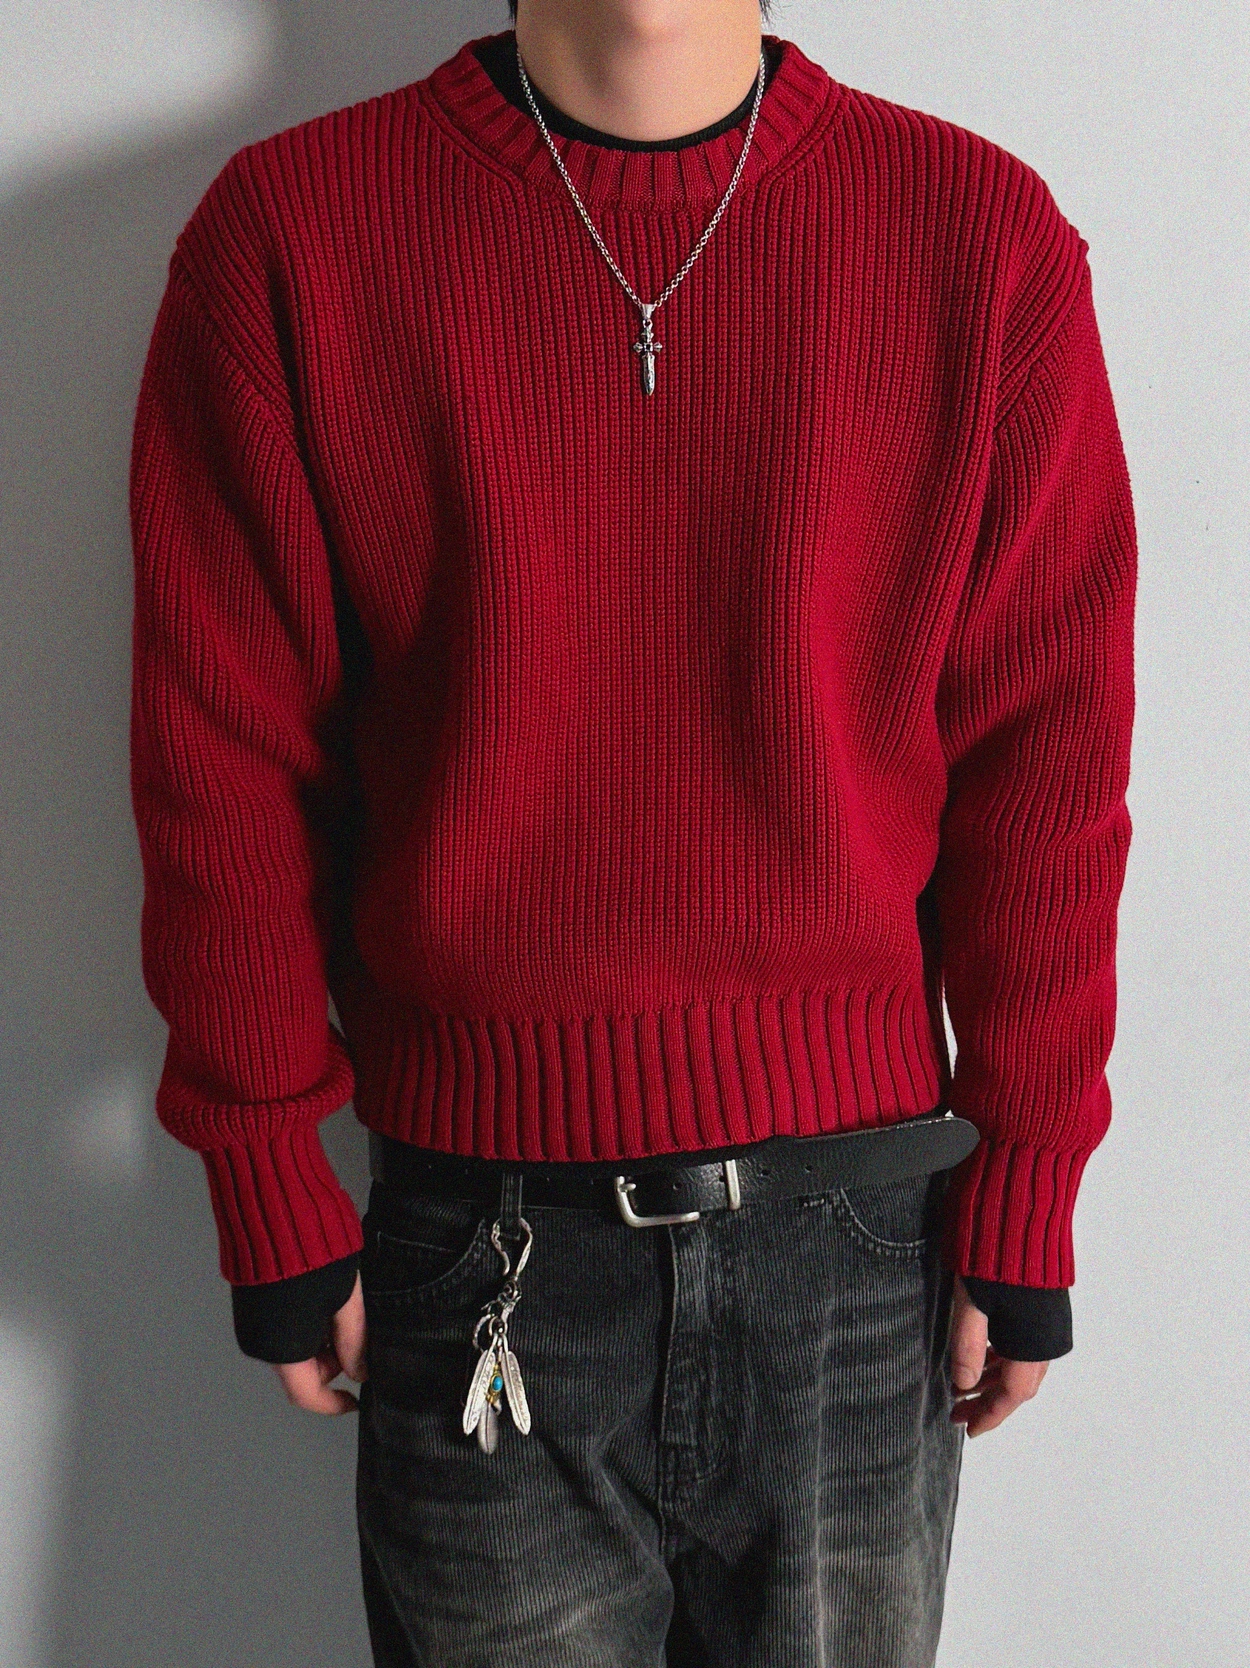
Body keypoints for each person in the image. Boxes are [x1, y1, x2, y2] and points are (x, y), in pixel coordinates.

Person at [127, 1, 1137, 1662]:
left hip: (858, 1241)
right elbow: (219, 757)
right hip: (477, 1236)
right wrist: (263, 1168)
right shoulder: (293, 236)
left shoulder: (975, 235)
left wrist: (1032, 1164)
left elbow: (1048, 757)